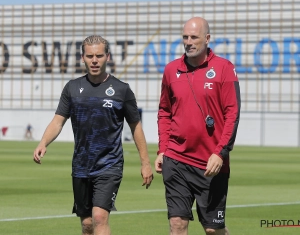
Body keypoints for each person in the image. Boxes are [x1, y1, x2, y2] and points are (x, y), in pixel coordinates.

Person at [33, 35, 154, 235]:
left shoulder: (122, 90)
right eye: (90, 56)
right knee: (87, 224)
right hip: (81, 165)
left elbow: (136, 127)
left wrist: (145, 163)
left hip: (109, 165)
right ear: (83, 58)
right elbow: (58, 121)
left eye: (99, 55)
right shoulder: (72, 88)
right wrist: (43, 142)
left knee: (99, 217)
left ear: (107, 56)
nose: (94, 60)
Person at [155, 17, 240, 235]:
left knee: (213, 230)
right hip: (176, 159)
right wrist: (163, 149)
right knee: (177, 224)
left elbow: (232, 114)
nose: (189, 42)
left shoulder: (224, 68)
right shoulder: (171, 70)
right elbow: (164, 111)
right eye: (185, 37)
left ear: (207, 39)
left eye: (194, 37)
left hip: (211, 165)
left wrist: (220, 153)